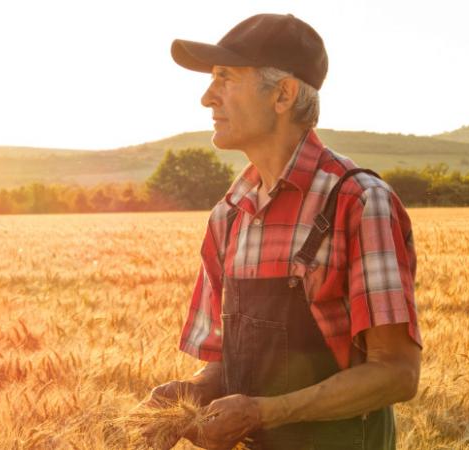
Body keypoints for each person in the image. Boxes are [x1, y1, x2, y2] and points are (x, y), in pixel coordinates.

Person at [138, 13, 423, 450]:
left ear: (283, 94)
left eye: (225, 78)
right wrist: (195, 391)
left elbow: (397, 373)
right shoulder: (228, 216)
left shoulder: (359, 201)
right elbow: (227, 363)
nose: (206, 98)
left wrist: (264, 412)